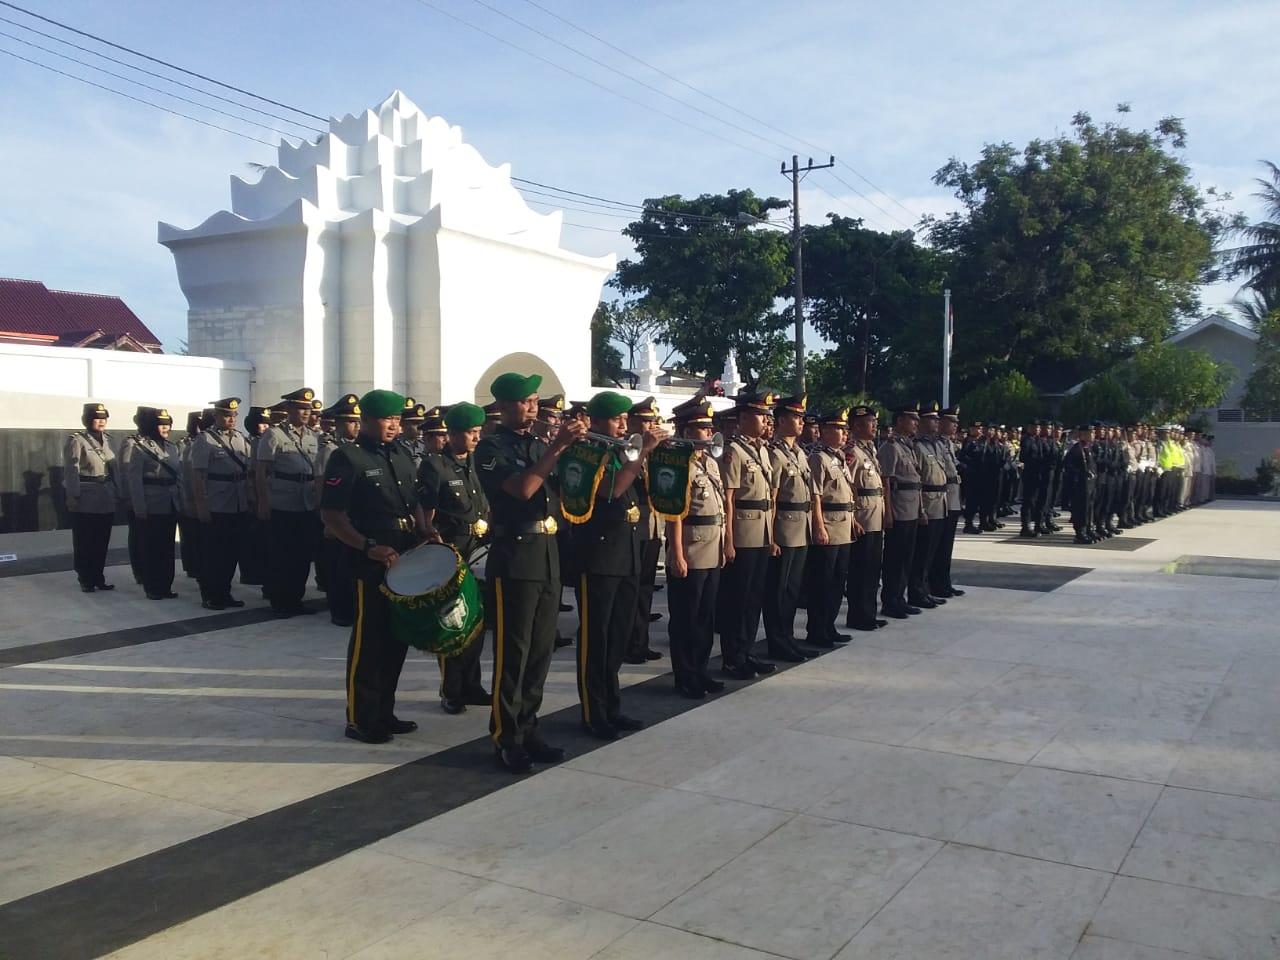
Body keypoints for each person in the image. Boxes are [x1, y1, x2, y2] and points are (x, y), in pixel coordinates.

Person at [476, 371, 585, 773]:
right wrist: (558, 446)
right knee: (514, 651)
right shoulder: (491, 447)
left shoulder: (539, 443)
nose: (533, 407)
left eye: (535, 400)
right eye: (525, 401)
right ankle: (506, 736)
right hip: (515, 555)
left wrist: (578, 451)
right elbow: (522, 489)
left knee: (540, 651)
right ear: (504, 406)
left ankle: (529, 726)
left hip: (547, 553)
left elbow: (569, 491)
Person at [321, 389, 440, 744]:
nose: (393, 425)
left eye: (397, 419)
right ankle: (360, 718)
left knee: (396, 638)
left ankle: (384, 712)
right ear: (367, 420)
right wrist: (366, 546)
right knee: (370, 641)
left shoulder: (402, 453)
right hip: (370, 559)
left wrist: (425, 528)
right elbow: (332, 514)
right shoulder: (347, 457)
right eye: (387, 419)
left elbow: (415, 500)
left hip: (404, 555)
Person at [575, 390, 665, 739]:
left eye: (625, 419)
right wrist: (642, 452)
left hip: (626, 552)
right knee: (596, 638)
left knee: (617, 636)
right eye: (617, 419)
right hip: (599, 554)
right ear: (597, 422)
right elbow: (611, 490)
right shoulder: (589, 451)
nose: (624, 425)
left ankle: (612, 706)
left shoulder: (620, 450)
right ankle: (593, 712)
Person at [416, 401, 492, 715]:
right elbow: (425, 511)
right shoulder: (435, 465)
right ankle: (451, 689)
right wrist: (432, 539)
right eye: (471, 432)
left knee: (477, 620)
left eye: (478, 431)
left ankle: (472, 685)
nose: (476, 437)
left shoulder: (477, 462)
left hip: (479, 549)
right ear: (454, 433)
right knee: (452, 622)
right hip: (452, 550)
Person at [664, 396, 727, 699]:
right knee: (686, 617)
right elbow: (674, 513)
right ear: (687, 432)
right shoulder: (677, 463)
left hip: (712, 544)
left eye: (710, 427)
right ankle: (685, 675)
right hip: (690, 546)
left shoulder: (710, 462)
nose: (709, 433)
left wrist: (724, 544)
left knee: (705, 616)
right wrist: (676, 553)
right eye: (703, 428)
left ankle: (701, 670)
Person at [717, 389, 778, 680]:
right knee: (737, 598)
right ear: (742, 418)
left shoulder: (762, 450)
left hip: (761, 531)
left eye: (766, 415)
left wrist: (772, 536)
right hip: (742, 531)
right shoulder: (733, 451)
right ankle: (732, 657)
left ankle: (747, 651)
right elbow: (728, 499)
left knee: (754, 597)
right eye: (759, 415)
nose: (765, 420)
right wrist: (728, 540)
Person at [254, 388, 321, 618]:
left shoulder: (313, 436)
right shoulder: (273, 435)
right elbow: (261, 471)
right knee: (282, 555)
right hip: (282, 502)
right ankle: (280, 601)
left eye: (308, 409)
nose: (306, 413)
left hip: (306, 501)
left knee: (302, 556)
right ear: (289, 409)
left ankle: (296, 599)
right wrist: (263, 502)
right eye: (301, 408)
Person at [762, 393, 813, 662]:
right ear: (781, 421)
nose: (801, 422)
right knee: (778, 590)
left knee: (792, 588)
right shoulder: (774, 454)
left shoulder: (799, 453)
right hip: (783, 527)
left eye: (802, 418)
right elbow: (770, 498)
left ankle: (788, 637)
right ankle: (777, 641)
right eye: (796, 417)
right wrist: (771, 536)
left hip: (801, 526)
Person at [190, 397, 253, 610]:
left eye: (234, 415)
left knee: (231, 553)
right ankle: (210, 594)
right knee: (213, 553)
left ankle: (224, 592)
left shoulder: (240, 438)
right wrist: (201, 506)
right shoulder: (205, 440)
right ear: (216, 415)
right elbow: (198, 476)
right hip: (217, 504)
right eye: (227, 415)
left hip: (238, 502)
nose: (231, 419)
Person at [808, 409, 857, 647]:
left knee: (838, 580)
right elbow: (815, 495)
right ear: (825, 432)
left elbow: (847, 492)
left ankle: (829, 625)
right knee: (823, 581)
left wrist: (854, 519)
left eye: (845, 429)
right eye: (839, 429)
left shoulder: (838, 458)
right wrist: (819, 526)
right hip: (829, 523)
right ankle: (817, 629)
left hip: (844, 525)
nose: (844, 433)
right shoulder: (819, 458)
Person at [623, 396, 666, 664]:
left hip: (652, 524)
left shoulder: (654, 451)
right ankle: (628, 643)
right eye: (644, 421)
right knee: (631, 588)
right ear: (631, 422)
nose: (650, 426)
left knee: (646, 587)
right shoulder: (627, 448)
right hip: (634, 525)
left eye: (652, 421)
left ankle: (640, 641)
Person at [315, 394, 361, 625]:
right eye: (351, 422)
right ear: (340, 423)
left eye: (358, 421)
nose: (356, 426)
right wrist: (327, 522)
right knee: (337, 566)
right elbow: (321, 486)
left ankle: (352, 607)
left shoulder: (358, 449)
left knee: (351, 565)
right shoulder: (330, 450)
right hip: (337, 516)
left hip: (354, 515)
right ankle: (340, 611)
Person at [128, 407, 183, 599]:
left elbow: (179, 476)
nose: (165, 428)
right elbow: (135, 480)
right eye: (161, 424)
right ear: (153, 426)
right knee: (151, 547)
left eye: (168, 424)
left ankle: (165, 585)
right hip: (151, 503)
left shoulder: (173, 448)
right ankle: (152, 586)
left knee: (167, 548)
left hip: (171, 502)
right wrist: (139, 507)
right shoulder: (140, 448)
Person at [65, 401, 118, 592]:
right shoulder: (77, 440)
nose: (101, 421)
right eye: (97, 418)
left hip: (105, 495)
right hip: (86, 496)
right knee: (85, 540)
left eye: (104, 418)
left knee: (101, 540)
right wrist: (72, 495)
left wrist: (119, 491)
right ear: (87, 420)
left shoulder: (109, 440)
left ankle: (98, 576)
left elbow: (115, 469)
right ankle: (85, 577)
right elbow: (71, 470)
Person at [879, 403, 925, 618]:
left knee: (907, 556)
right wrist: (888, 511)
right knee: (895, 557)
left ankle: (900, 598)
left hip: (911, 507)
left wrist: (921, 510)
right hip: (898, 508)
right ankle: (890, 601)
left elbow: (916, 481)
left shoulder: (907, 446)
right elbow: (886, 481)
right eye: (912, 419)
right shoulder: (891, 447)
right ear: (900, 421)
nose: (916, 423)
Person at [845, 405, 888, 630]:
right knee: (860, 568)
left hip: (875, 514)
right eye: (870, 422)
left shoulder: (870, 449)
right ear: (857, 426)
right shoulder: (852, 451)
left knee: (872, 567)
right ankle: (858, 614)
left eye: (874, 422)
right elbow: (848, 485)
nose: (874, 426)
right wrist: (853, 517)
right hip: (863, 515)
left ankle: (869, 612)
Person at [908, 402, 948, 609]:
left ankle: (926, 589)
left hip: (940, 500)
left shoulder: (936, 444)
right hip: (926, 500)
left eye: (937, 419)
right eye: (932, 419)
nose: (936, 422)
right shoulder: (916, 445)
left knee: (932, 550)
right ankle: (916, 591)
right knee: (922, 551)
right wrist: (920, 508)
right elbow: (917, 478)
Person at [929, 405, 966, 599]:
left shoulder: (948, 443)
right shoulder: (935, 443)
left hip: (952, 495)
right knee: (938, 545)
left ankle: (944, 582)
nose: (955, 426)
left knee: (947, 545)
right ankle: (935, 583)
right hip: (942, 496)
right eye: (952, 422)